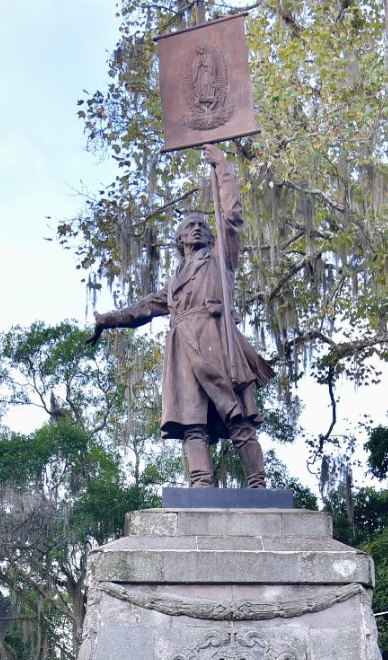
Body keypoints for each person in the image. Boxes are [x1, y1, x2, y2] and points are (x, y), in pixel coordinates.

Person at [89, 143, 276, 488]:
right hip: (184, 349)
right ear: (178, 240)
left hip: (216, 342)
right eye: (190, 226)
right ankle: (201, 483)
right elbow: (142, 309)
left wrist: (222, 166)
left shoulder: (220, 260)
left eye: (202, 225)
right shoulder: (174, 285)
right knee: (192, 422)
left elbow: (231, 217)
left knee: (237, 417)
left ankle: (257, 482)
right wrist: (106, 319)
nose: (198, 228)